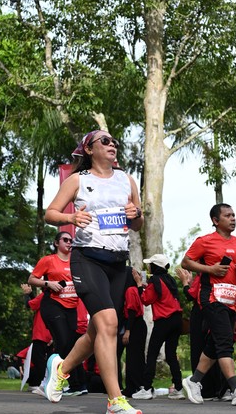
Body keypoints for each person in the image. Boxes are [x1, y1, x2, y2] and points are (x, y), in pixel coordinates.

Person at [43, 129, 144, 414]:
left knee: (97, 331)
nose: (112, 145)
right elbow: (50, 213)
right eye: (105, 141)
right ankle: (115, 400)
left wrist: (136, 215)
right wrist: (71, 217)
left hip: (117, 263)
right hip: (87, 259)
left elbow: (137, 224)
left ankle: (61, 368)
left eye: (114, 142)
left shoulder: (127, 180)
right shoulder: (78, 180)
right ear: (89, 149)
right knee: (109, 324)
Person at [180, 203, 236, 406]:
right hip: (211, 298)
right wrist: (210, 269)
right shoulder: (204, 241)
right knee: (224, 342)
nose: (233, 218)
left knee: (215, 345)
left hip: (231, 300)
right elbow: (186, 262)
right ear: (215, 220)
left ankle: (194, 381)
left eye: (234, 215)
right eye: (227, 216)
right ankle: (235, 388)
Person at [28, 231, 85, 395]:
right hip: (53, 304)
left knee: (69, 345)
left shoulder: (77, 262)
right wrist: (48, 283)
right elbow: (31, 279)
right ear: (56, 243)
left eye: (71, 240)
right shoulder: (49, 260)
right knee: (63, 341)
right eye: (65, 240)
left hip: (71, 308)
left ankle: (72, 385)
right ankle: (51, 382)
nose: (69, 243)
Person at [132, 254, 184, 401]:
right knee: (171, 355)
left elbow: (145, 300)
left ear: (155, 267)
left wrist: (139, 284)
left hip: (164, 321)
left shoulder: (154, 280)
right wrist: (146, 287)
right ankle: (178, 389)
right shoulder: (169, 279)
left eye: (150, 264)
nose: (149, 267)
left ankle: (147, 388)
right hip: (177, 319)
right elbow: (161, 294)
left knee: (152, 354)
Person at [120, 266, 146, 398]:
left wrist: (128, 331)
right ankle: (137, 385)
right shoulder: (136, 289)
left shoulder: (130, 290)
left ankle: (133, 387)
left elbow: (131, 311)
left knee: (132, 358)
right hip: (139, 324)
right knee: (137, 357)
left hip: (134, 325)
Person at [21, 283, 53, 389]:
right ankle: (45, 382)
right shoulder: (53, 296)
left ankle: (40, 383)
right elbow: (37, 303)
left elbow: (30, 305)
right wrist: (31, 294)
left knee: (38, 359)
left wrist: (26, 294)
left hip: (41, 333)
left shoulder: (45, 295)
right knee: (47, 360)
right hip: (49, 333)